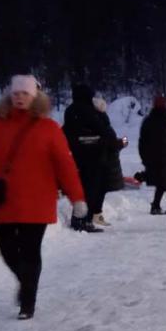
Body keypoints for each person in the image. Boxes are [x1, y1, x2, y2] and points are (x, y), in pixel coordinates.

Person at [0, 75, 88, 320]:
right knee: (6, 250)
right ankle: (25, 282)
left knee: (29, 250)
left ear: (34, 97)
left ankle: (28, 301)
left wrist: (76, 197)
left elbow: (65, 165)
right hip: (5, 200)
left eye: (25, 93)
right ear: (9, 95)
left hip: (37, 201)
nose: (19, 97)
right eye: (16, 93)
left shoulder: (49, 128)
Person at [62, 84, 112, 232]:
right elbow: (103, 129)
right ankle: (85, 220)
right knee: (91, 188)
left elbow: (67, 130)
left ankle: (77, 218)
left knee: (80, 187)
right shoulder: (90, 111)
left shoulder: (70, 110)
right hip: (94, 154)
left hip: (76, 153)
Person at [140, 95, 166, 214]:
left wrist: (144, 158)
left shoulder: (148, 120)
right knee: (164, 181)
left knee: (163, 181)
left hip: (152, 158)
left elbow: (142, 141)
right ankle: (158, 205)